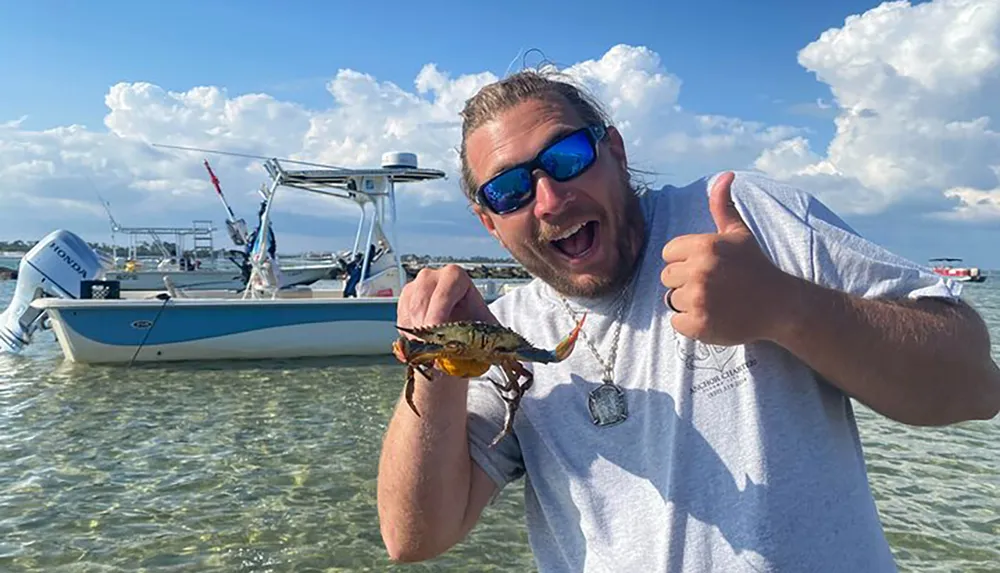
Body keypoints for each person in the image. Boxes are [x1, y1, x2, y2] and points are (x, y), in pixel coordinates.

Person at [376, 70, 1000, 572]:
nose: (549, 198)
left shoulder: (745, 220)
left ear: (614, 151)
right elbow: (415, 537)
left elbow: (974, 385)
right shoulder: (503, 338)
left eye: (566, 156)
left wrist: (785, 306)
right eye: (508, 190)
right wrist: (435, 359)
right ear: (489, 221)